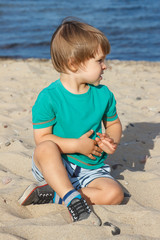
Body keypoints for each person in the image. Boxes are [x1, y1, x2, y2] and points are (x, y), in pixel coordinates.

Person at [18, 18, 124, 226]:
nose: (105, 66)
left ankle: (61, 196)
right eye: (100, 61)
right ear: (74, 64)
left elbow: (114, 124)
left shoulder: (103, 95)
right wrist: (77, 145)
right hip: (57, 165)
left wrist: (111, 140)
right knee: (47, 148)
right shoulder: (49, 97)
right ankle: (68, 194)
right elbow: (42, 139)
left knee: (115, 194)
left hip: (91, 168)